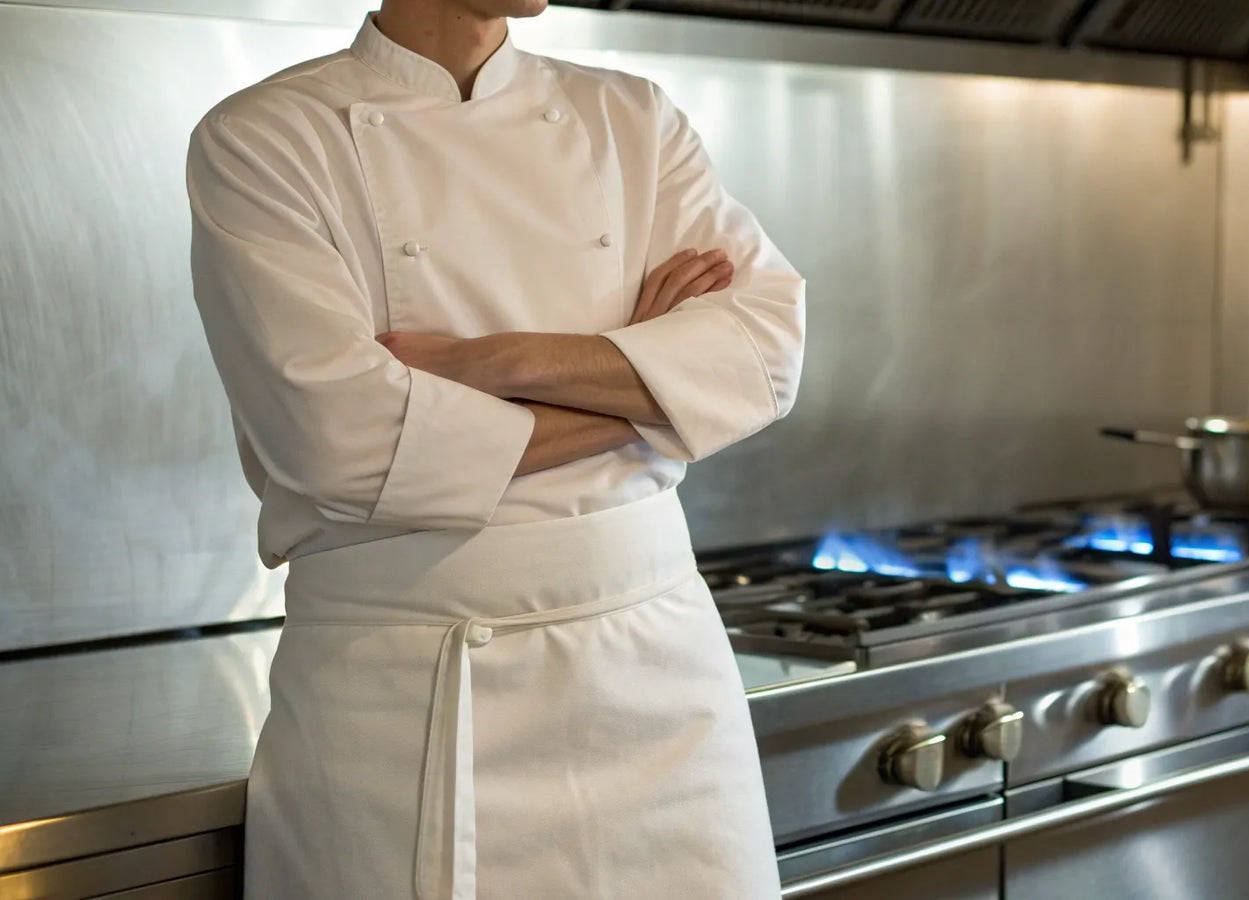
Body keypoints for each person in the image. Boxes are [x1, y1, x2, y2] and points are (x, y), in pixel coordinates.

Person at [185, 0, 804, 895]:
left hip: (658, 672)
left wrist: (491, 362)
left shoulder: (631, 117)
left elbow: (764, 360)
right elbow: (344, 444)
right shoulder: (267, 138)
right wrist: (662, 383)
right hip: (411, 692)